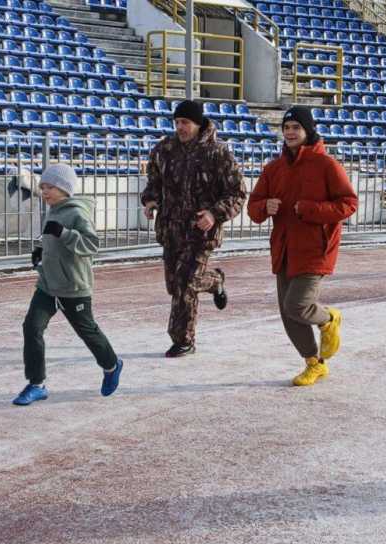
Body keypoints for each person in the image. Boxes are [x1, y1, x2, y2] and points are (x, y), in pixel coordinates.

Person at [247, 106, 357, 386]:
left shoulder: (327, 165)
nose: (290, 133)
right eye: (286, 128)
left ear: (308, 131)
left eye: (296, 127)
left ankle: (329, 318)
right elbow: (253, 207)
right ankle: (314, 363)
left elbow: (348, 203)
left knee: (297, 305)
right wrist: (264, 207)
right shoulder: (274, 169)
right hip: (284, 248)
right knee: (288, 313)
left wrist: (309, 209)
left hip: (315, 248)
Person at [141, 99, 246, 357]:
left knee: (185, 282)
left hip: (201, 231)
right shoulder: (163, 149)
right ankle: (215, 281)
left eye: (185, 122)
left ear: (198, 124)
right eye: (177, 122)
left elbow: (237, 193)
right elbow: (154, 180)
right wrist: (151, 199)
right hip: (170, 229)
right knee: (173, 284)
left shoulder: (218, 153)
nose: (180, 127)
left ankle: (183, 340)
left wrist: (214, 214)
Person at [12, 164, 122, 406]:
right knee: (31, 328)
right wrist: (40, 250)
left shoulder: (76, 213)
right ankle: (36, 384)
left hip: (73, 287)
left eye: (49, 187)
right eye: (42, 187)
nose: (44, 191)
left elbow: (92, 245)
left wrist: (64, 233)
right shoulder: (53, 209)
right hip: (48, 285)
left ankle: (112, 365)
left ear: (64, 188)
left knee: (87, 332)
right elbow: (51, 237)